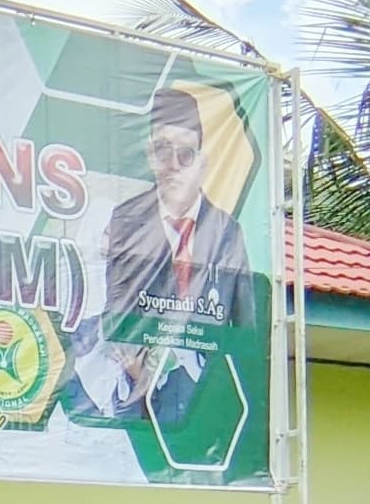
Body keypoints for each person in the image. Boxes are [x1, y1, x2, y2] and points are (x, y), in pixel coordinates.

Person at [65, 85, 256, 422]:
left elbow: (244, 329)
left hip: (207, 396)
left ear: (202, 162)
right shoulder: (126, 220)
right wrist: (142, 371)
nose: (173, 165)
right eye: (163, 151)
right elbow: (119, 311)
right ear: (150, 155)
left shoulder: (227, 232)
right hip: (137, 394)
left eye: (186, 154)